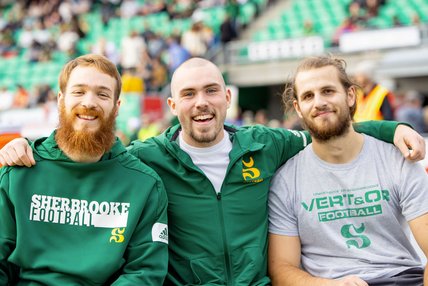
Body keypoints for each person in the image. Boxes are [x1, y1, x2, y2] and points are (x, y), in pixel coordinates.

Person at [0, 58, 426, 286]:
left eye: (209, 91)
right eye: (187, 94)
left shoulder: (266, 144)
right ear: (172, 107)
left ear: (227, 97)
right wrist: (27, 148)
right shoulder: (146, 159)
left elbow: (328, 127)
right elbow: (92, 152)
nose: (200, 102)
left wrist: (393, 128)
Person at [0, 54, 169, 285]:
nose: (89, 102)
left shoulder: (144, 184)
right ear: (60, 99)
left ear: (117, 106)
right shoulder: (18, 172)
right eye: (79, 92)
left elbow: (144, 272)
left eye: (102, 94)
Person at [269, 56, 428, 286]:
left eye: (328, 91)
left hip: (400, 278)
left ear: (351, 95)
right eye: (308, 96)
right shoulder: (285, 180)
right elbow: (282, 269)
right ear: (298, 109)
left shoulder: (397, 159)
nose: (319, 102)